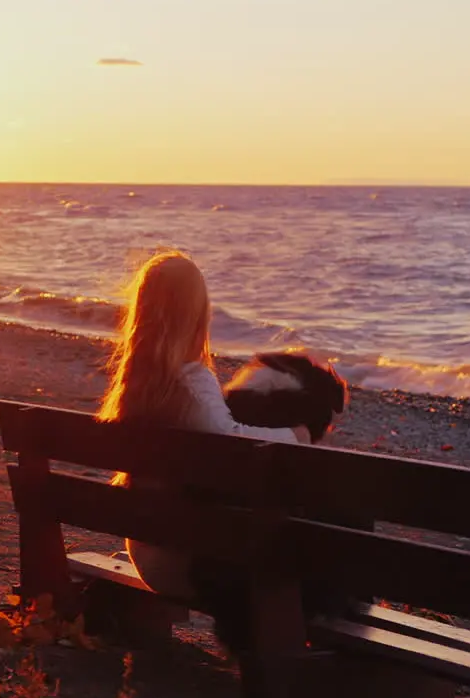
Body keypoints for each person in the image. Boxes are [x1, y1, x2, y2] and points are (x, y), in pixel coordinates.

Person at [96, 249, 310, 602]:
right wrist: (294, 436)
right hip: (190, 563)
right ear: (197, 314)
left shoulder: (134, 386)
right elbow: (232, 441)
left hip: (145, 550)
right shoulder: (191, 385)